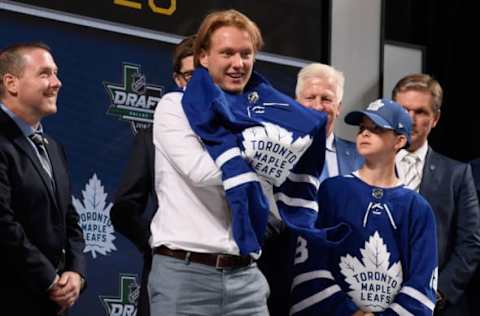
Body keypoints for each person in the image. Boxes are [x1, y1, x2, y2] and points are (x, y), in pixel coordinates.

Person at [150, 9, 331, 315]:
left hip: (247, 278)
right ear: (203, 57)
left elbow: (272, 191)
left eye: (246, 53)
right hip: (185, 275)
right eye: (227, 53)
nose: (238, 63)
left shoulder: (264, 115)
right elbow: (201, 172)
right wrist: (260, 146)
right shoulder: (175, 107)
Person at [290, 98, 438, 315]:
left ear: (399, 141)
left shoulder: (417, 206)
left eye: (376, 129)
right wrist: (349, 312)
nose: (364, 134)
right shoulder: (332, 191)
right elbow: (309, 263)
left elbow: (423, 281)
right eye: (362, 128)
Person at [110, 35, 195, 316]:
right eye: (191, 75)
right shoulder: (153, 138)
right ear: (178, 80)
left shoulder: (239, 134)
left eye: (207, 74)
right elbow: (124, 208)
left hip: (231, 276)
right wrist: (159, 243)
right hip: (169, 278)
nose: (200, 83)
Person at [0, 42, 86, 315]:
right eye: (45, 74)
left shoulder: (53, 147)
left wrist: (75, 273)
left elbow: (69, 220)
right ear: (11, 83)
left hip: (52, 304)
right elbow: (2, 223)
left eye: (56, 73)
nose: (57, 83)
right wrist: (48, 279)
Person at [392, 73, 480, 315]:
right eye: (403, 109)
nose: (410, 119)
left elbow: (470, 244)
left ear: (436, 118)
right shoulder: (364, 163)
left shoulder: (458, 174)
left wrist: (437, 294)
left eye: (420, 112)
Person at [296, 63, 363, 181]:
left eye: (326, 99)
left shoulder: (361, 158)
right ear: (296, 104)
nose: (317, 107)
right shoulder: (278, 150)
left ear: (338, 108)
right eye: (310, 98)